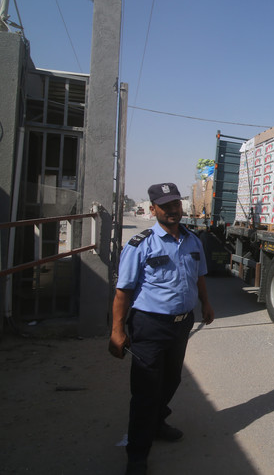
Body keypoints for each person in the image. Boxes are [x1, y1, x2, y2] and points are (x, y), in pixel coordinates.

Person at [109, 182, 215, 475]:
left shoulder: (193, 241)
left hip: (181, 325)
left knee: (171, 380)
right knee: (145, 390)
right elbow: (123, 292)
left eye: (176, 205)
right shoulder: (141, 244)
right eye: (165, 206)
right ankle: (137, 453)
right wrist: (117, 332)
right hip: (149, 325)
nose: (173, 211)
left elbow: (200, 276)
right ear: (153, 208)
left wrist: (205, 304)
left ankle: (157, 424)